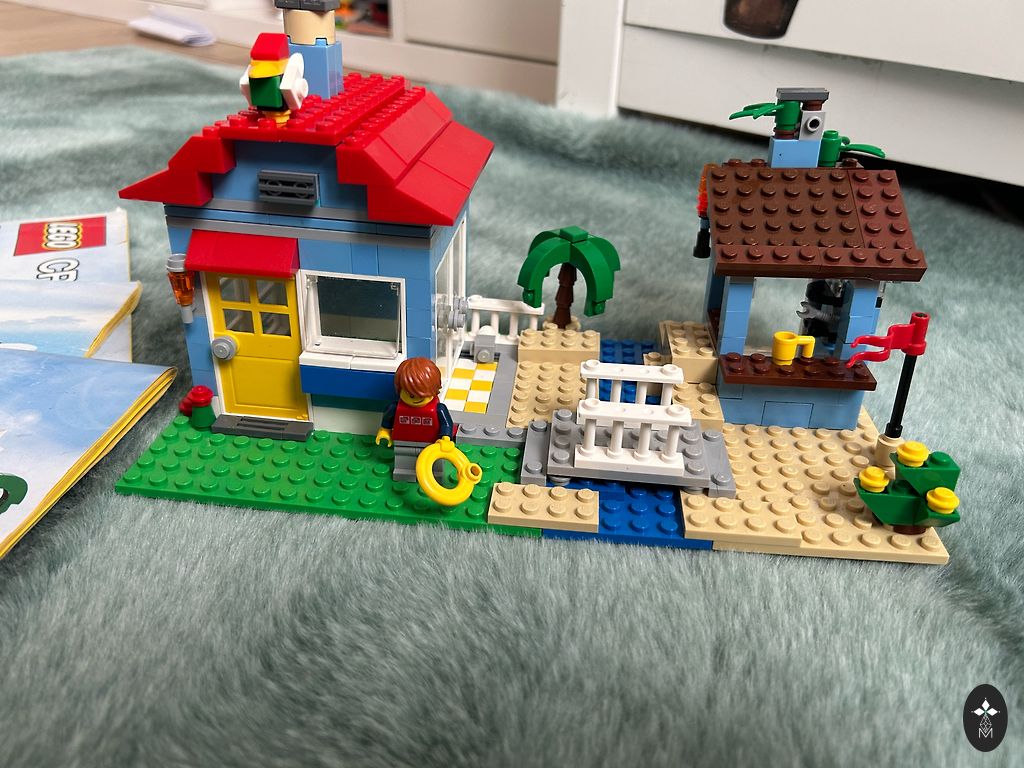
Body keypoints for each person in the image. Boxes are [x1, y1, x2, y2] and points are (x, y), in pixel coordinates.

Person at [376, 357, 453, 483]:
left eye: (422, 394)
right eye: (411, 394)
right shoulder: (396, 407)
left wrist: (445, 438)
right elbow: (388, 417)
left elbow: (446, 424)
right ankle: (404, 473)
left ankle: (434, 475)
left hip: (432, 444)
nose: (416, 399)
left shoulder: (439, 409)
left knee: (433, 462)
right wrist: (385, 430)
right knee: (404, 460)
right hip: (404, 441)